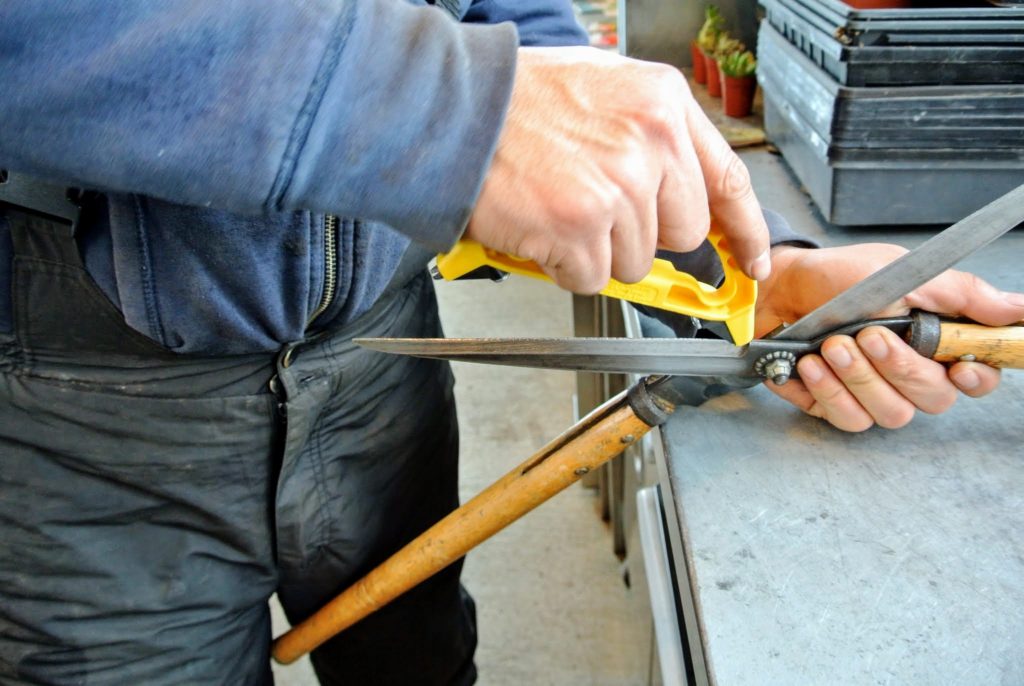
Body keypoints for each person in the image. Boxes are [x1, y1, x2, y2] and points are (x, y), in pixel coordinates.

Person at [0, 2, 1020, 684]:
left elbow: (517, 31)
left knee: (423, 662)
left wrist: (748, 283)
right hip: (78, 416)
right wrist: (435, 111)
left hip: (381, 366)